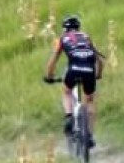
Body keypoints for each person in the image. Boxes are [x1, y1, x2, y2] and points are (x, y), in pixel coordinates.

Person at [43, 14, 106, 146]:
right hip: (89, 69)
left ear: (65, 29)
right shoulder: (86, 37)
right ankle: (88, 134)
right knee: (89, 100)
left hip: (73, 68)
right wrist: (99, 74)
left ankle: (69, 116)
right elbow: (100, 60)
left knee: (66, 91)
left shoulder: (63, 38)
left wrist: (48, 76)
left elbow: (54, 58)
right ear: (78, 27)